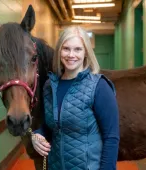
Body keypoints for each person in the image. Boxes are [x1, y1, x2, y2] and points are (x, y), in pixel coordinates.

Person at [32, 26, 120, 170]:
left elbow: (111, 137)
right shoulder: (49, 86)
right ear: (59, 51)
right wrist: (38, 135)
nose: (71, 54)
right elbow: (53, 126)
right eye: (66, 48)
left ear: (86, 52)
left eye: (78, 49)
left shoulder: (99, 86)